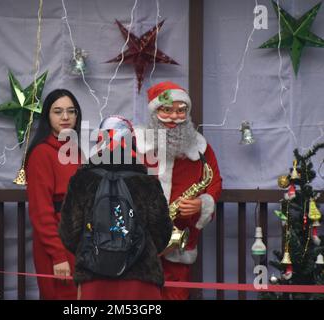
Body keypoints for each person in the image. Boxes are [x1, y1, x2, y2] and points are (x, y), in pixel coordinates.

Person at [59, 115, 173, 300]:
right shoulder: (147, 181)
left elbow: (68, 234)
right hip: (141, 280)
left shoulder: (82, 180)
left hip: (94, 279)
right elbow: (162, 234)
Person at [143, 81, 223, 300]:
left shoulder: (201, 148)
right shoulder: (136, 145)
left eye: (181, 110)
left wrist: (202, 203)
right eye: (167, 110)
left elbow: (214, 182)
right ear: (154, 111)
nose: (174, 117)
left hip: (179, 244)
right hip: (140, 245)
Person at [25, 88, 83, 300]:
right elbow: (41, 212)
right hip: (57, 244)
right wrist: (58, 256)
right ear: (47, 117)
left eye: (71, 111)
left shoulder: (75, 150)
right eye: (58, 111)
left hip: (80, 242)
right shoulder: (41, 153)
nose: (65, 117)